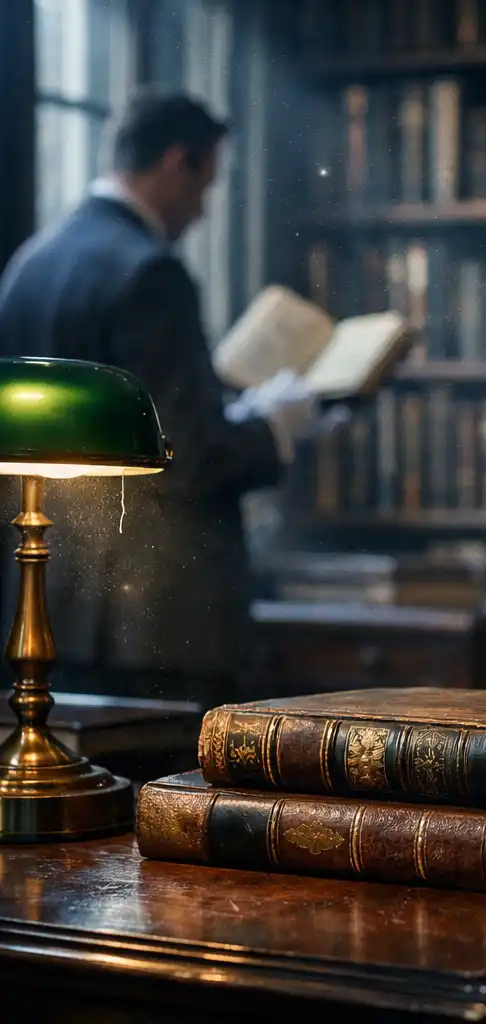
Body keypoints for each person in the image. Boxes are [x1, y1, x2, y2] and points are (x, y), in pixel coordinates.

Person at [0, 90, 317, 704]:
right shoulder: (151, 272)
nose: (200, 212)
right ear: (178, 163)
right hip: (152, 625)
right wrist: (277, 425)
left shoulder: (28, 265)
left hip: (34, 612)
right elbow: (185, 458)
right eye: (204, 188)